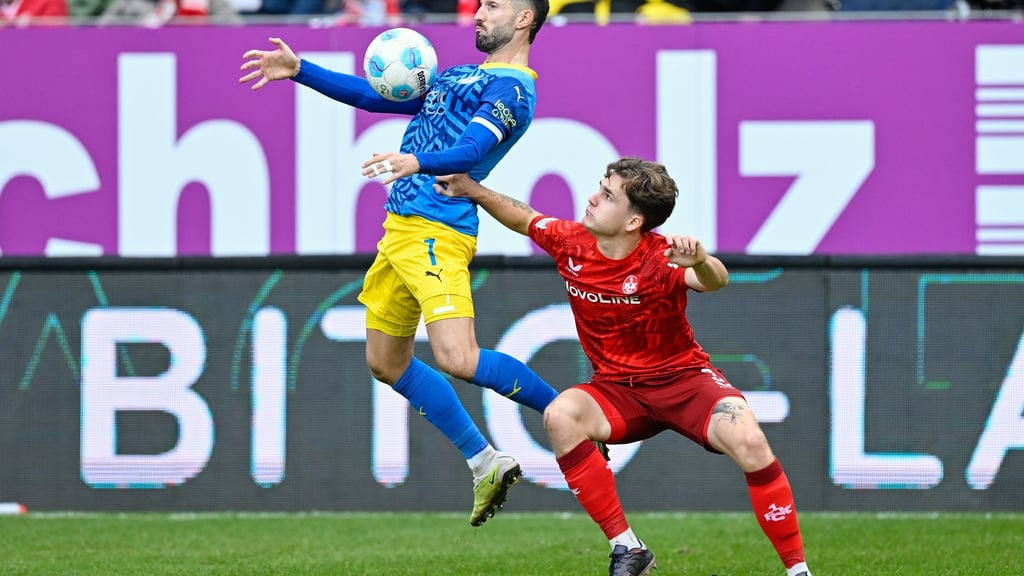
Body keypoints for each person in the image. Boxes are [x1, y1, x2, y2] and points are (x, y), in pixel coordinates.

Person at [239, 0, 553, 528]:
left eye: (493, 4)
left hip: (438, 231)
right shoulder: (457, 76)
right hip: (399, 232)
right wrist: (300, 71)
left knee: (459, 357)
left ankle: (567, 411)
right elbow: (373, 94)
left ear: (524, 19)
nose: (478, 11)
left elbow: (472, 148)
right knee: (386, 362)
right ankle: (485, 461)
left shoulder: (512, 90)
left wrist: (417, 160)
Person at [435, 158, 814, 576]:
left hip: (684, 384)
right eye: (600, 187)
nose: (593, 197)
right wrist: (472, 189)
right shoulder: (570, 241)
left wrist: (701, 260)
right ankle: (627, 548)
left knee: (752, 444)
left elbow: (715, 280)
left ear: (634, 220)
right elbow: (525, 219)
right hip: (618, 391)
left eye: (608, 194)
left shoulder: (663, 257)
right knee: (561, 415)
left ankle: (798, 571)